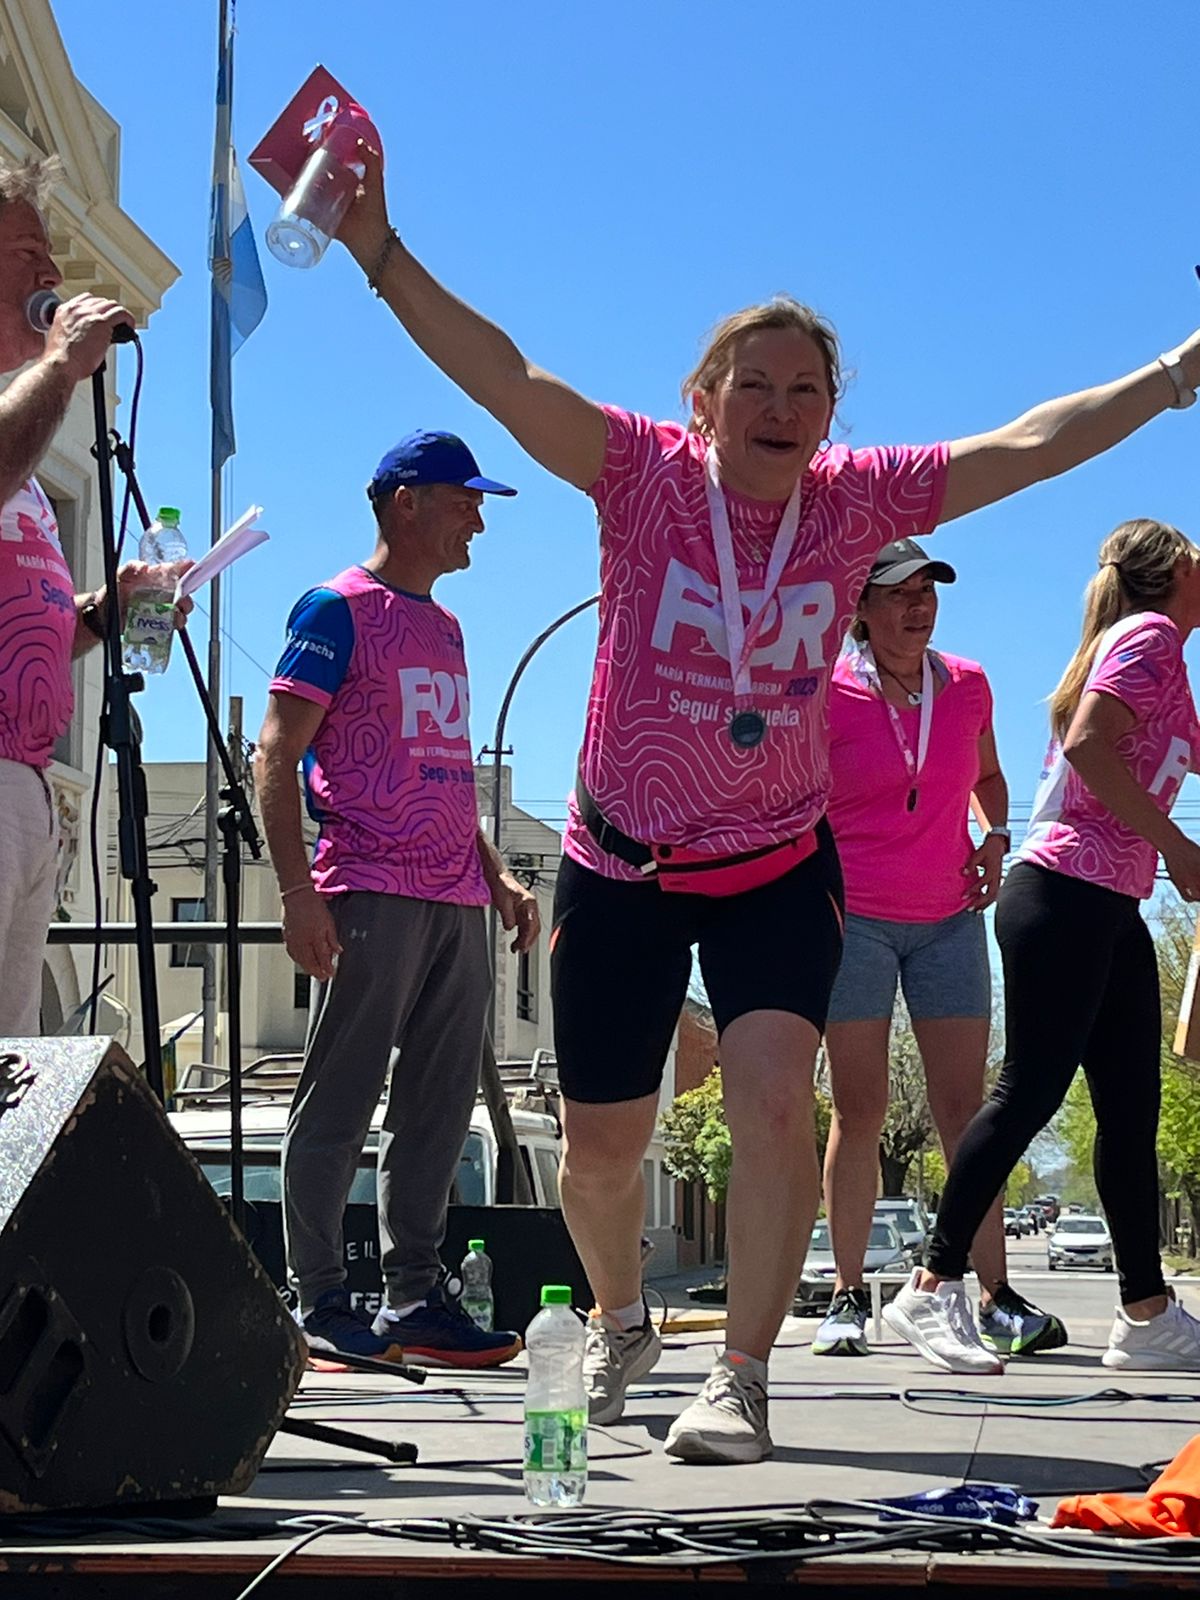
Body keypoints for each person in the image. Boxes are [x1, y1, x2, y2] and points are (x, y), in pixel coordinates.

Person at [329, 142, 1200, 1460]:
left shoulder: (856, 504)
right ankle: (623, 1317)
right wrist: (382, 253)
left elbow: (1029, 444)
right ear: (703, 403)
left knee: (778, 1104)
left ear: (830, 414)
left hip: (777, 866)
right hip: (620, 864)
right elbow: (507, 376)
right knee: (601, 1153)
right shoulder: (640, 473)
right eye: (756, 385)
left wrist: (1176, 374)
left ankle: (742, 1375)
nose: (781, 407)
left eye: (807, 390)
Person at [886, 519, 1200, 1374]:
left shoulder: (1158, 654)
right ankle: (931, 1283)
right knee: (1028, 1092)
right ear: (1177, 568)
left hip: (1109, 903)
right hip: (1064, 894)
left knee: (1130, 1108)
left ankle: (1145, 1313)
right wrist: (1176, 848)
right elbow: (1090, 742)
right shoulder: (1149, 636)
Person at [256, 430, 539, 1367]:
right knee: (338, 1099)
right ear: (404, 502)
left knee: (438, 1107)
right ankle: (317, 1297)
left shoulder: (448, 629)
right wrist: (298, 894)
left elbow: (445, 770)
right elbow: (276, 753)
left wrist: (496, 872)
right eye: (465, 500)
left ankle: (413, 1295)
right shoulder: (335, 609)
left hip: (456, 899)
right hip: (368, 888)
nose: (478, 521)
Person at [815, 538, 1063, 1360]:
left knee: (969, 1113)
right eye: (898, 592)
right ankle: (847, 1296)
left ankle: (992, 1293)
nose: (918, 605)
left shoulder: (968, 684)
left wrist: (995, 835)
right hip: (856, 920)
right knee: (860, 1110)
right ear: (861, 610)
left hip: (950, 917)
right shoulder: (828, 690)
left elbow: (988, 779)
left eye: (928, 590)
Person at [0, 154, 185, 1035]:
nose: (51, 272)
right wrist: (62, 368)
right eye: (26, 252)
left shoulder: (30, 471)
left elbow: (34, 624)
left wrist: (107, 610)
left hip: (29, 787)